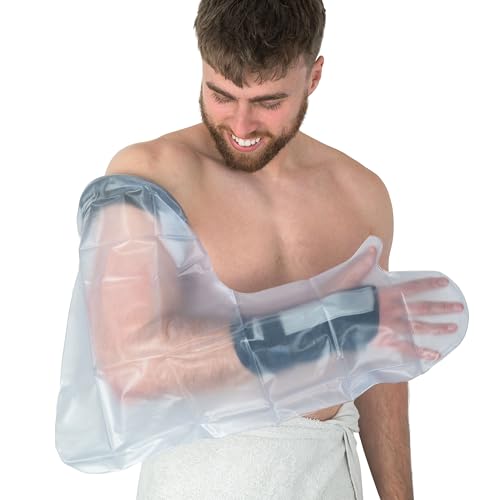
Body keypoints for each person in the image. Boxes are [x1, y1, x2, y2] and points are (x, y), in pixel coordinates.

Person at [106, 1, 413, 498]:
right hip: (198, 482)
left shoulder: (362, 195)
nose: (242, 125)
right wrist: (306, 336)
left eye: (269, 102)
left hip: (328, 477)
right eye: (220, 95)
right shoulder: (150, 178)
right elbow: (126, 370)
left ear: (314, 77)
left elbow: (380, 372)